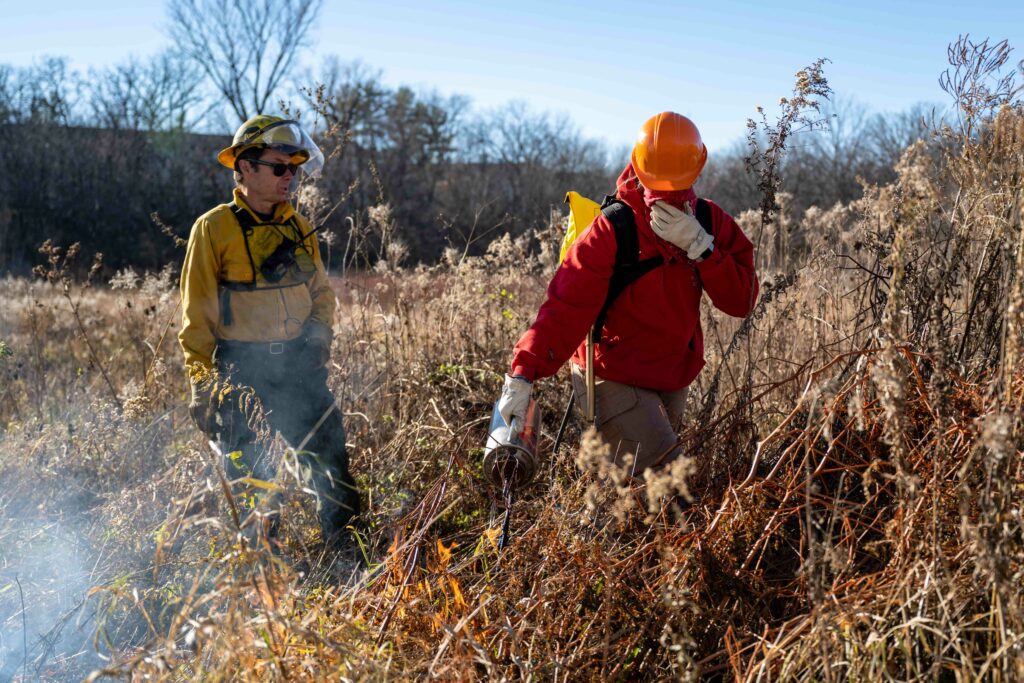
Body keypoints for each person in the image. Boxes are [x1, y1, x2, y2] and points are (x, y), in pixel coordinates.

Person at [497, 112, 759, 475]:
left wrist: (704, 249)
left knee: (637, 501)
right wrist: (522, 374)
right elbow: (565, 306)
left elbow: (742, 301)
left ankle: (592, 529)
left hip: (671, 375)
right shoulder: (613, 228)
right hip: (611, 374)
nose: (666, 194)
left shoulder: (709, 222)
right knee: (670, 486)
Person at [179, 114, 359, 547]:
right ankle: (261, 572)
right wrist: (203, 384)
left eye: (293, 168)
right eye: (279, 168)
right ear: (245, 167)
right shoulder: (213, 228)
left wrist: (318, 338)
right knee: (252, 482)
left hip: (298, 367)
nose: (289, 178)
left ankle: (348, 554)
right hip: (240, 373)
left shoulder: (297, 227)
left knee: (331, 462)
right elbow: (196, 316)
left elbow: (321, 294)